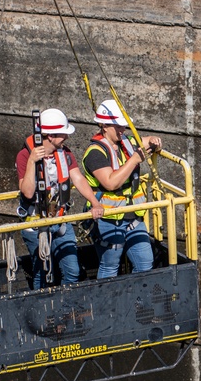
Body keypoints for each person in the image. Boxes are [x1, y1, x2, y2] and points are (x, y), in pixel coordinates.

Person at [17, 108, 104, 288]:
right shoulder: (25, 155)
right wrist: (33, 162)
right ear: (50, 135)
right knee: (41, 274)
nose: (67, 137)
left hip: (61, 220)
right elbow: (26, 192)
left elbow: (77, 178)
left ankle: (65, 309)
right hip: (35, 224)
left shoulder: (64, 153)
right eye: (63, 134)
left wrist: (95, 202)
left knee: (72, 270)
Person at [81, 99, 161, 278]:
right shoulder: (95, 153)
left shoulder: (126, 140)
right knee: (110, 266)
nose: (122, 130)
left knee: (145, 262)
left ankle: (136, 303)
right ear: (103, 125)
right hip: (108, 218)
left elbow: (144, 140)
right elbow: (110, 183)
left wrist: (154, 141)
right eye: (117, 126)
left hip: (133, 215)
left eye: (123, 126)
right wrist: (134, 160)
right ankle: (108, 304)